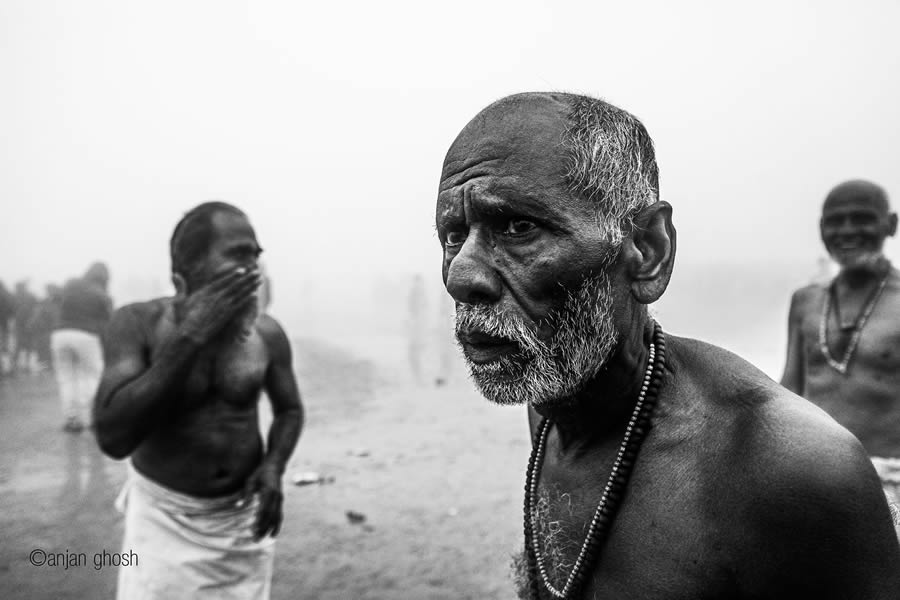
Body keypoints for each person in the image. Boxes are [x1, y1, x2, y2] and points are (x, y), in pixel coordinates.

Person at [435, 93, 900, 599]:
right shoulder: (555, 396)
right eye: (453, 234)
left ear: (647, 251)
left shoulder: (795, 473)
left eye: (518, 226)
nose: (461, 274)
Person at [93, 202, 303, 600]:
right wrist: (192, 335)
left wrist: (274, 466)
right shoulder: (137, 324)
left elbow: (289, 409)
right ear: (186, 273)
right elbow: (113, 437)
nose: (253, 271)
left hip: (241, 526)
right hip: (162, 523)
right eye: (238, 254)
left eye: (256, 257)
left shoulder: (267, 334)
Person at [782, 180, 900, 522]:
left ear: (890, 224)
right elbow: (789, 389)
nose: (847, 231)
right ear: (821, 228)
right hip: (814, 477)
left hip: (889, 483)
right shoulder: (805, 301)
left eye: (861, 218)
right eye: (836, 221)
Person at [52, 264, 113, 431]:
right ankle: (95, 418)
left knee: (67, 378)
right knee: (92, 376)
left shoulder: (71, 284)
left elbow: (55, 299)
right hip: (87, 335)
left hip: (60, 334)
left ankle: (72, 419)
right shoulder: (102, 295)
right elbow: (107, 323)